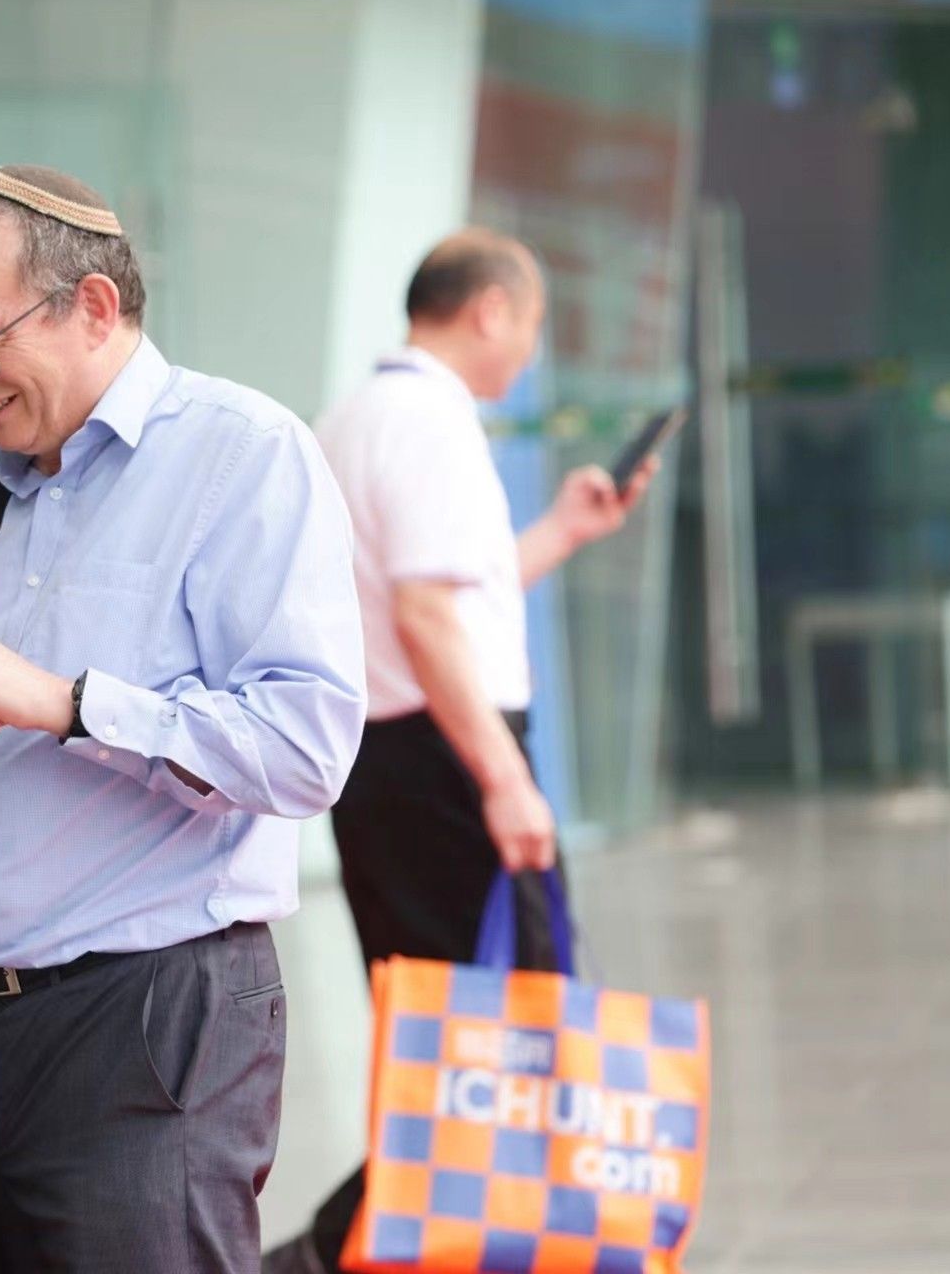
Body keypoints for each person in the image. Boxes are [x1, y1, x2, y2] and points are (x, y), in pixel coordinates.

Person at [0, 165, 367, 1272]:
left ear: (93, 306)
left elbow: (306, 748)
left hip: (148, 1017)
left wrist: (70, 703)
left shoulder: (242, 453)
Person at [263, 227, 657, 1273]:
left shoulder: (354, 417)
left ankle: (351, 1247)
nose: (528, 349)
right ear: (490, 310)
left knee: (446, 1039)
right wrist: (507, 778)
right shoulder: (428, 422)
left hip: (388, 761)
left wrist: (565, 529)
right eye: (530, 324)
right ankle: (333, 1250)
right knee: (498, 1039)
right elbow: (430, 620)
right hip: (445, 759)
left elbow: (445, 606)